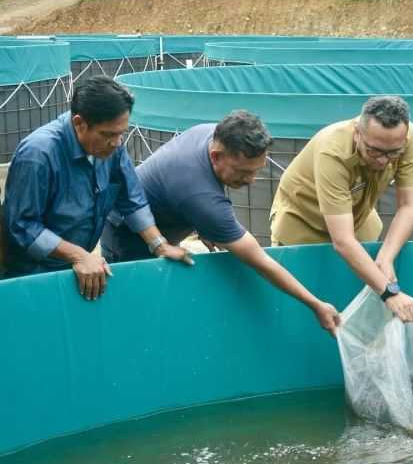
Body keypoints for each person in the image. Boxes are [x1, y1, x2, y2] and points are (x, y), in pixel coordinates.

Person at [101, 110, 340, 334]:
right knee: (136, 314)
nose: (251, 180)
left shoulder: (214, 135)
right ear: (216, 156)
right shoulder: (201, 197)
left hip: (154, 212)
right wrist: (315, 304)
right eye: (243, 172)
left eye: (257, 170)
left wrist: (200, 224)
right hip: (127, 237)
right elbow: (259, 260)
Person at [1, 76, 191, 300]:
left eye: (122, 133)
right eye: (109, 135)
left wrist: (159, 245)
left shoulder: (111, 146)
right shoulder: (39, 155)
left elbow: (132, 198)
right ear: (79, 123)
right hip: (31, 274)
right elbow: (23, 225)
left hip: (77, 265)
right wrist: (78, 255)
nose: (117, 142)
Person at [270, 96, 413, 323]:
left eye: (392, 153)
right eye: (374, 151)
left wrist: (386, 258)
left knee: (359, 295)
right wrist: (390, 292)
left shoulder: (407, 137)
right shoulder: (332, 150)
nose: (383, 161)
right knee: (303, 312)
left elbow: (409, 205)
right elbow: (342, 241)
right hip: (303, 226)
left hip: (356, 220)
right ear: (357, 133)